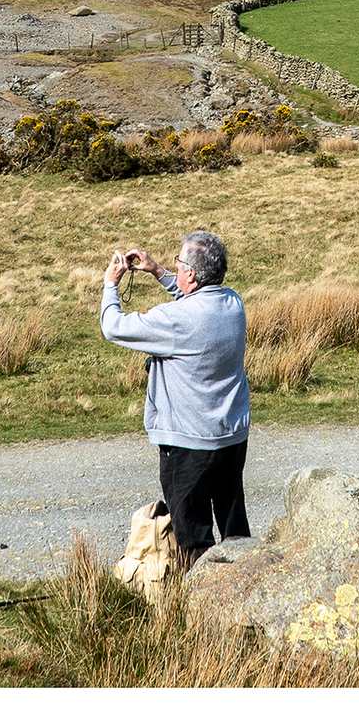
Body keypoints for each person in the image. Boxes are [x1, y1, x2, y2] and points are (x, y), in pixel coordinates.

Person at [99, 229, 250, 564]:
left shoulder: (177, 320)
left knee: (193, 538)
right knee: (233, 525)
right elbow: (195, 299)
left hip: (188, 443)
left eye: (179, 264)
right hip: (230, 437)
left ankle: (204, 605)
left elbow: (113, 327)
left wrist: (111, 283)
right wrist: (158, 272)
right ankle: (247, 585)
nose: (176, 267)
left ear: (192, 275)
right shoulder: (233, 304)